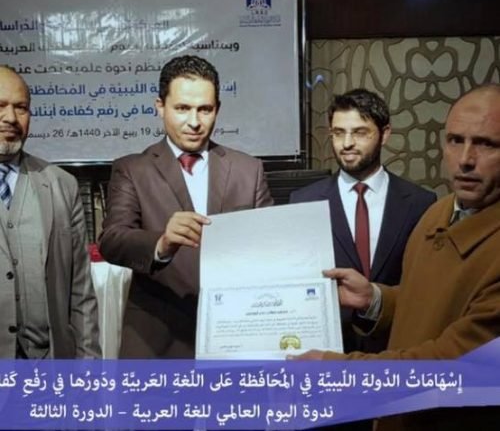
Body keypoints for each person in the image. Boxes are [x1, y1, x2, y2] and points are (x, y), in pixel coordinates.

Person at [291, 84, 500, 430]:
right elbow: (430, 299)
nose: (465, 159)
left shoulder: (421, 203)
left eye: (487, 144)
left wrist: (337, 371)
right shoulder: (440, 212)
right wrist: (375, 299)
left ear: (384, 134)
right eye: (455, 140)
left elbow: (452, 363)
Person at [98, 55, 273, 358]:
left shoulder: (249, 170)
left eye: (205, 109)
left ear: (217, 109)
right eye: (182, 108)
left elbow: (271, 246)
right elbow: (112, 240)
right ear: (160, 106)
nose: (194, 122)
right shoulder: (132, 169)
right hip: (157, 338)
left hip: (236, 333)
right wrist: (161, 243)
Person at [290, 89, 436, 354]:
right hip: (330, 351)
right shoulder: (303, 202)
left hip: (397, 348)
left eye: (359, 132)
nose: (346, 143)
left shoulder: (420, 203)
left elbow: (426, 285)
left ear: (385, 134)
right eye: (338, 133)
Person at [0, 65, 100, 359]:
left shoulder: (61, 185)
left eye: (21, 108)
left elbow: (81, 292)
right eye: (0, 106)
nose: (11, 118)